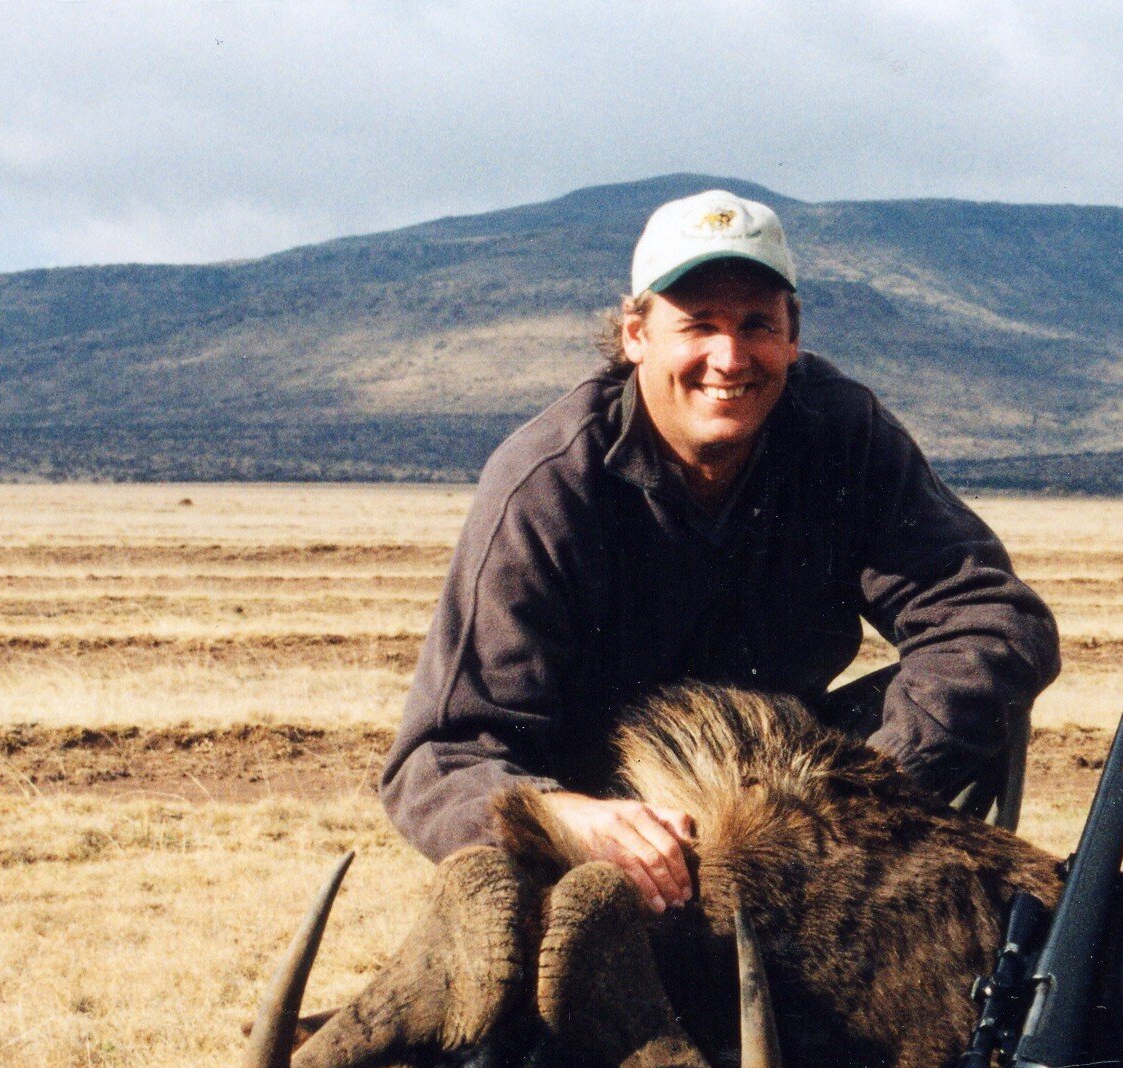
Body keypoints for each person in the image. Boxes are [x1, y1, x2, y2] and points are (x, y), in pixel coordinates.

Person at [381, 188, 1058, 909]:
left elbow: (990, 618)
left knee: (982, 700)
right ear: (636, 334)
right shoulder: (547, 485)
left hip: (790, 797)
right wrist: (567, 818)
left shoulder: (842, 432)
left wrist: (872, 786)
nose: (730, 358)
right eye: (697, 325)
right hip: (622, 838)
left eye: (756, 325)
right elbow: (439, 758)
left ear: (792, 337)